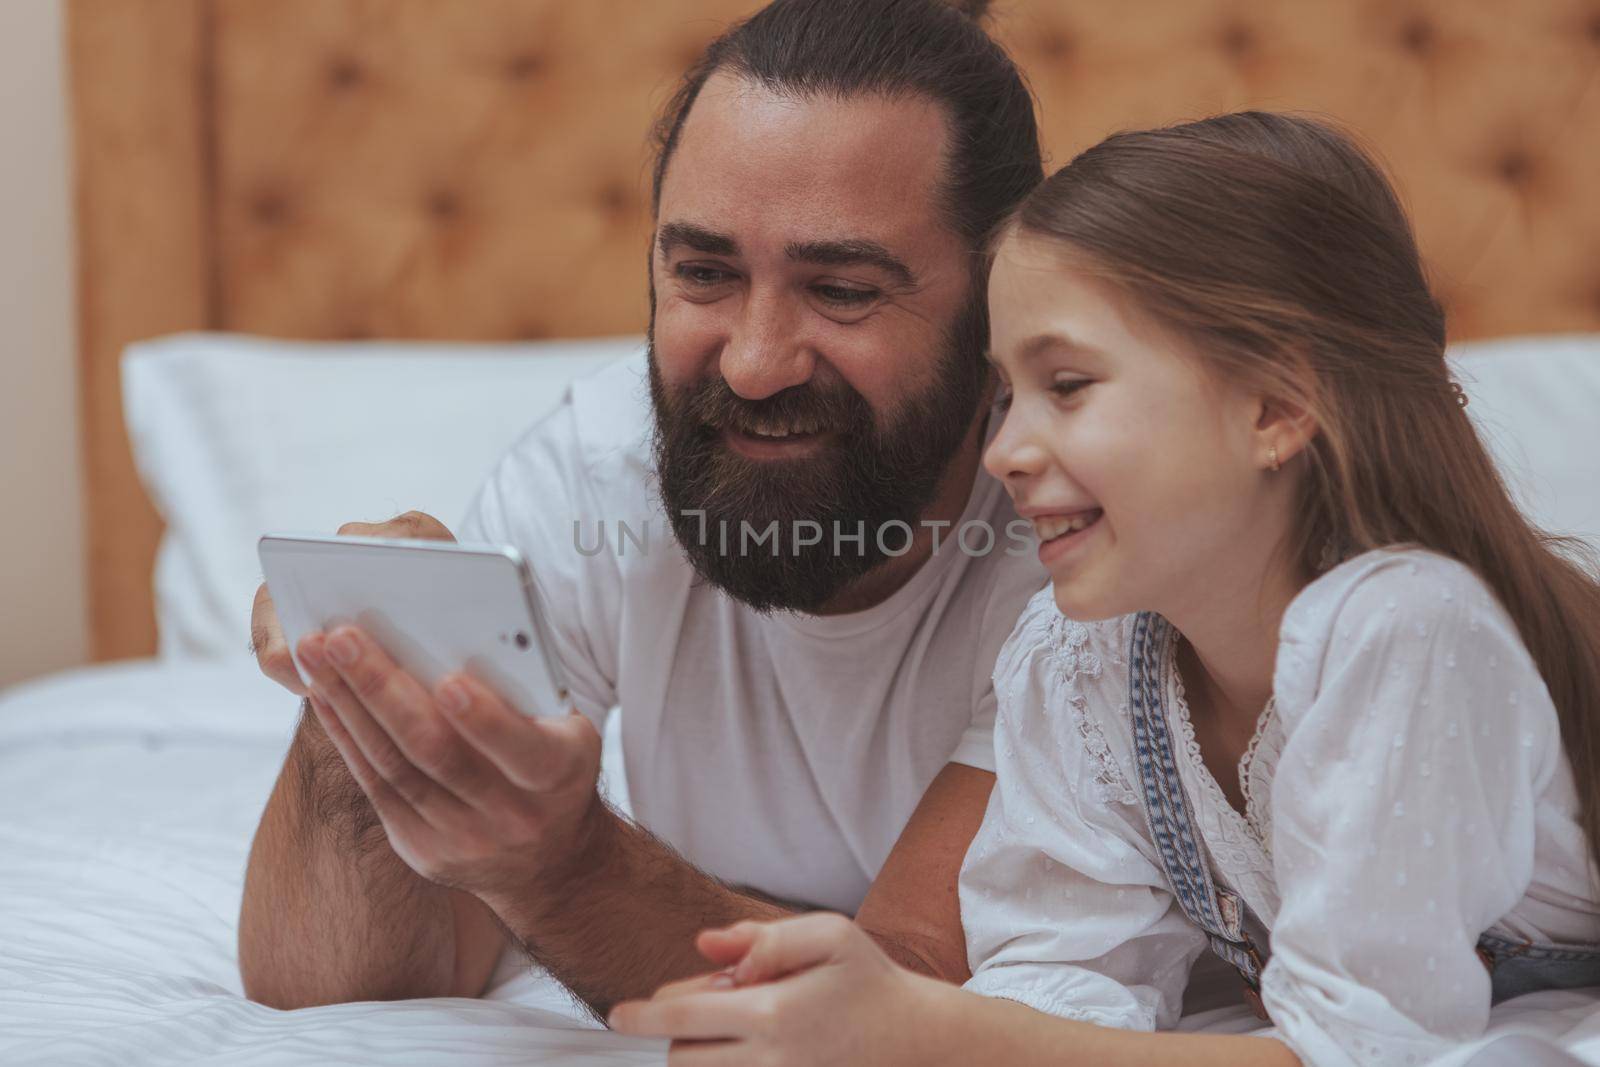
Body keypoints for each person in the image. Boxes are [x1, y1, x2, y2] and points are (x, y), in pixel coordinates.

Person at [609, 112, 1600, 1066]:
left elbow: (1362, 1053)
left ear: (1275, 405)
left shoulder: (1404, 629)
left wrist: (929, 1038)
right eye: (1005, 395)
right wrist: (885, 1025)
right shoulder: (1085, 660)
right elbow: (1053, 982)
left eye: (1068, 385)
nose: (1003, 450)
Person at [237, 0, 1049, 1017]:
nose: (753, 364)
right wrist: (356, 680)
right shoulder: (600, 465)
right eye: (704, 272)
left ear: (998, 297)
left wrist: (564, 866)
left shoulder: (1071, 527)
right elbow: (331, 981)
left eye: (841, 289)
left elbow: (907, 996)